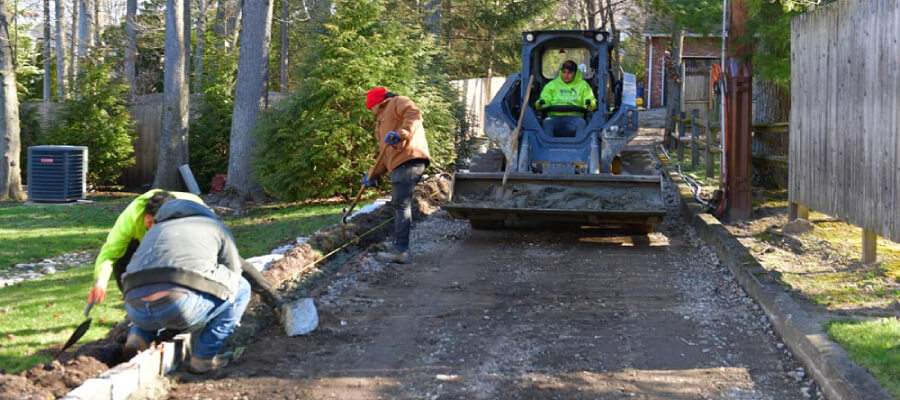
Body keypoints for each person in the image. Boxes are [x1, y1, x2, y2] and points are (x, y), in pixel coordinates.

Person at [86, 190, 286, 352]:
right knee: (235, 287)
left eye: (156, 225)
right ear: (145, 218)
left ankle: (143, 325)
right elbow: (110, 254)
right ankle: (199, 350)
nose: (152, 229)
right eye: (149, 224)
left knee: (221, 268)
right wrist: (101, 282)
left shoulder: (197, 212)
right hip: (144, 259)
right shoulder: (130, 218)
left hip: (181, 255)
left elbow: (229, 257)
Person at [120, 198, 250, 374]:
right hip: (177, 305)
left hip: (135, 309)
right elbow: (234, 273)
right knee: (242, 288)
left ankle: (138, 337)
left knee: (152, 288)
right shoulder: (215, 227)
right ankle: (204, 357)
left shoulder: (154, 231)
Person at [364, 87, 431, 264]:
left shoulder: (397, 102)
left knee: (401, 205)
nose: (371, 111)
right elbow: (385, 156)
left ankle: (401, 251)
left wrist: (402, 134)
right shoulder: (382, 122)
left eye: (370, 107)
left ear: (376, 103)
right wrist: (373, 174)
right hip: (399, 163)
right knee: (399, 204)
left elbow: (414, 113)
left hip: (410, 158)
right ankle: (398, 245)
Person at [535, 59, 598, 138]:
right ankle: (547, 148)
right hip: (554, 117)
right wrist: (541, 103)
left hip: (575, 118)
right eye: (564, 72)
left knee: (581, 123)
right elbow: (545, 99)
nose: (566, 75)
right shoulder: (551, 85)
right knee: (547, 123)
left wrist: (590, 104)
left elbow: (589, 99)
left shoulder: (583, 86)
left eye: (570, 73)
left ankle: (579, 148)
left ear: (575, 73)